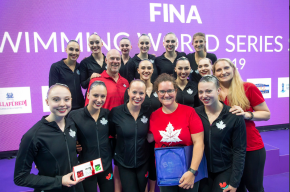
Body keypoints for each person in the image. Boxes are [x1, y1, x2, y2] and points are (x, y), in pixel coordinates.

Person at [212, 59, 271, 192]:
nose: (223, 72)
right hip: (227, 150)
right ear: (214, 74)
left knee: (254, 187)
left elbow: (266, 114)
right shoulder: (213, 93)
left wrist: (247, 115)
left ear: (233, 69)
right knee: (235, 189)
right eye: (218, 70)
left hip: (251, 147)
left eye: (226, 68)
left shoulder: (248, 88)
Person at [14, 83, 84, 192]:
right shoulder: (33, 135)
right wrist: (59, 181)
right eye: (56, 99)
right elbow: (20, 177)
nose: (62, 104)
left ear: (71, 100)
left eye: (66, 99)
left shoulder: (71, 124)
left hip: (76, 188)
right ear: (47, 102)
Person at [148, 74, 204, 192]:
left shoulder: (189, 112)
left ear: (176, 91)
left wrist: (192, 171)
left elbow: (199, 143)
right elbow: (149, 139)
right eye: (162, 91)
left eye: (170, 91)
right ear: (157, 93)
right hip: (166, 173)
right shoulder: (153, 116)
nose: (166, 95)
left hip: (189, 171)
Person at [195, 75, 247, 192]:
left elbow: (239, 150)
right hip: (202, 170)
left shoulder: (234, 116)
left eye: (208, 91)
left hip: (225, 169)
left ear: (218, 90)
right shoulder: (194, 114)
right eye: (201, 92)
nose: (204, 96)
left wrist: (235, 182)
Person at [69, 81, 114, 192]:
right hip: (85, 166)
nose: (99, 100)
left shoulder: (108, 114)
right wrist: (75, 146)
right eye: (95, 95)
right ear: (88, 95)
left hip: (105, 164)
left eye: (102, 96)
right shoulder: (74, 116)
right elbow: (67, 139)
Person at [124, 59, 161, 192]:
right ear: (138, 70)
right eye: (143, 68)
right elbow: (126, 111)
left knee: (153, 164)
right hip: (139, 134)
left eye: (149, 68)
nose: (146, 70)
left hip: (156, 133)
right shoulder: (131, 89)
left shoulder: (158, 88)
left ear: (153, 70)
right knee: (142, 164)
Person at [109, 80, 151, 192]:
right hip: (124, 162)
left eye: (141, 93)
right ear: (128, 92)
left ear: (145, 94)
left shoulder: (148, 112)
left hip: (143, 161)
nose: (137, 96)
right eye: (134, 92)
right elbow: (111, 133)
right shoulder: (116, 112)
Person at [49, 40, 85, 110]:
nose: (74, 52)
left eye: (77, 50)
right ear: (66, 50)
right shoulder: (56, 67)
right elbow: (52, 90)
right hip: (64, 108)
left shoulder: (80, 66)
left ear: (79, 52)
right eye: (71, 49)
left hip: (80, 108)